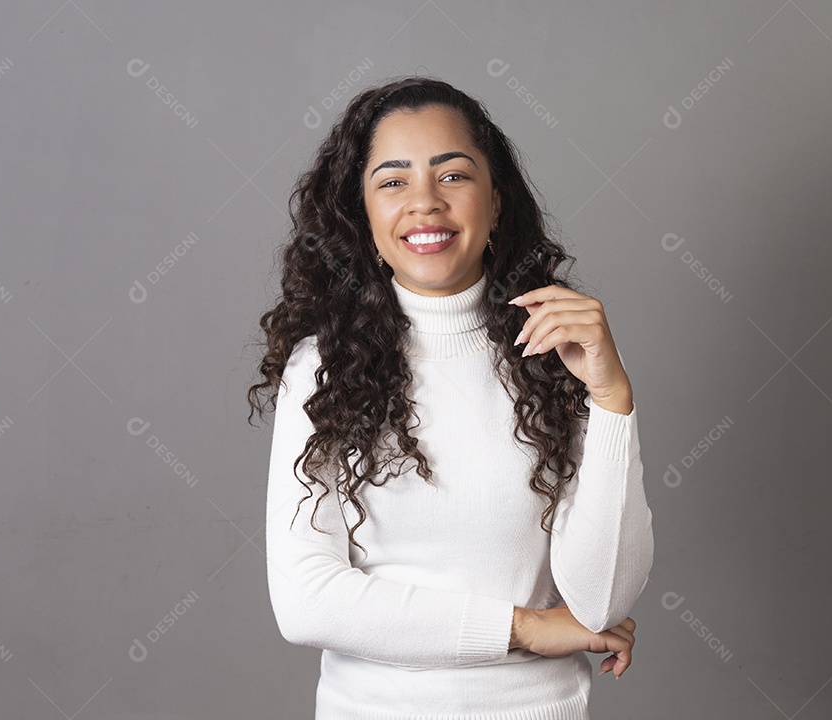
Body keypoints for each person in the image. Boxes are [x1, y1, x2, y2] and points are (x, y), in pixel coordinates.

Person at [247, 75, 655, 719]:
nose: (425, 202)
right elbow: (307, 602)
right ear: (362, 216)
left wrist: (610, 396)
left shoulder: (560, 352)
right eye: (392, 182)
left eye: (453, 175)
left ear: (495, 203)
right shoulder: (322, 368)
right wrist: (524, 627)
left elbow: (602, 601)